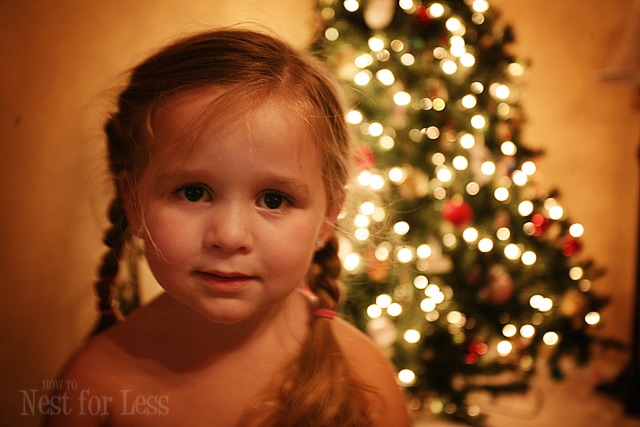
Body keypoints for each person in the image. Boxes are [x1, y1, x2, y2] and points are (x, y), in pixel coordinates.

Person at [45, 28, 411, 426]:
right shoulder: (93, 388)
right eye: (193, 192)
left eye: (273, 200)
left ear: (328, 218)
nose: (230, 237)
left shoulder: (363, 381)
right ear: (133, 202)